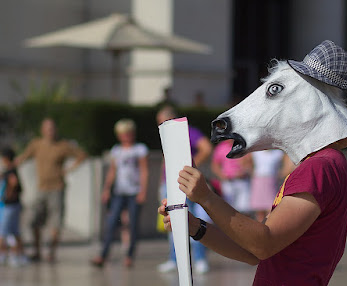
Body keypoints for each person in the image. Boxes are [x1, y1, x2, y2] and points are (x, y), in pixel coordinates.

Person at [158, 40, 347, 285]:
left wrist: (206, 197)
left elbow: (264, 244)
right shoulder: (322, 164)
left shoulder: (320, 166)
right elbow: (252, 251)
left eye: (275, 90)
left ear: (310, 102)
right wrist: (196, 227)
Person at [15, 118, 87, 262]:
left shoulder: (63, 145)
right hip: (41, 188)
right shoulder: (36, 144)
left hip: (57, 188)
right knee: (34, 221)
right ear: (42, 130)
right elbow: (23, 157)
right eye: (47, 129)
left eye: (52, 129)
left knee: (55, 222)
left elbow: (82, 155)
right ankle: (37, 251)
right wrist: (9, 165)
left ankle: (51, 253)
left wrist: (68, 169)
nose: (50, 132)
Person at [156, 106, 212, 274]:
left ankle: (200, 258)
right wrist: (162, 182)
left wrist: (190, 167)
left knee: (192, 220)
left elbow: (207, 148)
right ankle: (175, 259)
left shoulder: (187, 131)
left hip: (183, 183)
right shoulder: (169, 135)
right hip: (169, 183)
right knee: (174, 223)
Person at [91, 119, 149, 268]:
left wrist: (143, 190)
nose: (126, 137)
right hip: (119, 192)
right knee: (111, 223)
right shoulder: (116, 150)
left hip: (134, 191)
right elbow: (112, 171)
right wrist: (106, 189)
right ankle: (103, 254)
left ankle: (129, 255)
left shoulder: (139, 150)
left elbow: (144, 171)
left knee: (133, 224)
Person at [0, 147, 28, 266]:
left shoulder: (11, 172)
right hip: (14, 205)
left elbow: (14, 182)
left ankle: (5, 254)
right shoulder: (11, 170)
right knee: (15, 232)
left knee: (3, 232)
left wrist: (8, 194)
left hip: (9, 205)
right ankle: (18, 255)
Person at [211, 140, 252, 214]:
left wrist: (244, 170)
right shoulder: (221, 147)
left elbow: (249, 162)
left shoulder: (243, 146)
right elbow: (215, 164)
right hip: (228, 181)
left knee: (244, 209)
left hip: (242, 180)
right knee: (229, 207)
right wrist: (222, 175)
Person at [250, 150, 284, 222]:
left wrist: (280, 174)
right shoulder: (256, 152)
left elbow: (288, 164)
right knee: (259, 210)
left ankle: (269, 228)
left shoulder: (278, 153)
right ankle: (260, 230)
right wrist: (251, 172)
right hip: (258, 181)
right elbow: (245, 162)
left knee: (271, 209)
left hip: (272, 182)